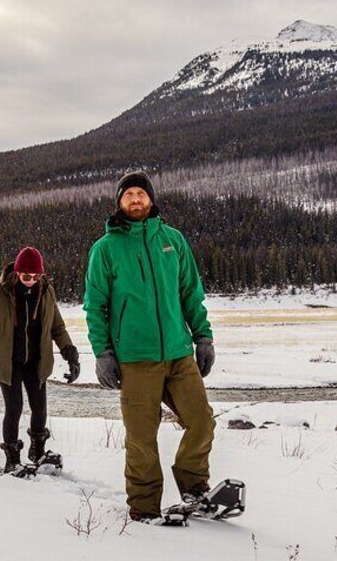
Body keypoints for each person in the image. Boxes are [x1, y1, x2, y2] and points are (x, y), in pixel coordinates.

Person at [83, 171, 216, 525]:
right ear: (119, 202)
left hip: (177, 351)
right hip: (135, 358)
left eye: (142, 194)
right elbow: (95, 307)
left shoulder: (172, 241)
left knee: (201, 421)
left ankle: (194, 490)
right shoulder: (105, 249)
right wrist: (103, 353)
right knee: (142, 438)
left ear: (152, 200)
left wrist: (202, 336)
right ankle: (144, 508)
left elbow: (190, 292)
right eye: (129, 195)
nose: (136, 200)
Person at [0, 247, 81, 475]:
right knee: (14, 408)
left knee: (40, 408)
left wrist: (70, 354)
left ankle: (38, 452)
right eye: (27, 276)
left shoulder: (46, 291)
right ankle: (12, 459)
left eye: (37, 276)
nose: (32, 281)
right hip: (8, 361)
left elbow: (57, 326)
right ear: (17, 273)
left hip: (36, 361)